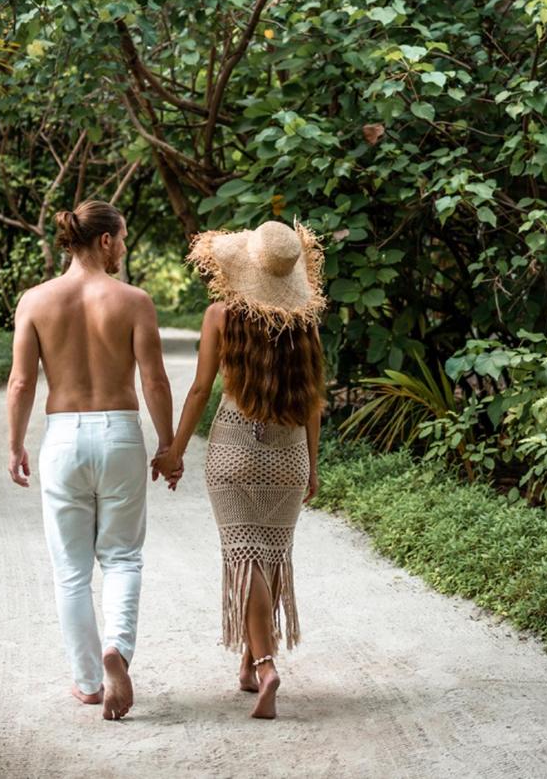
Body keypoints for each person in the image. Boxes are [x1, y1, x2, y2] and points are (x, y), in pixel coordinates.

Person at [6, 200, 182, 721]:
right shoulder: (134, 301)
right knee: (122, 557)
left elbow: (21, 382)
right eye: (121, 238)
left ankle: (87, 683)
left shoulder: (35, 301)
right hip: (120, 435)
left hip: (63, 438)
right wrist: (168, 445)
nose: (123, 248)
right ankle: (117, 650)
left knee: (71, 571)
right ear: (105, 241)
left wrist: (15, 444)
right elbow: (155, 380)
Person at [153, 220, 326, 720]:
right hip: (289, 454)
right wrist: (312, 466)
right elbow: (314, 404)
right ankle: (250, 665)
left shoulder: (221, 315)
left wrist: (175, 452)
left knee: (244, 555)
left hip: (234, 450)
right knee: (268, 555)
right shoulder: (305, 322)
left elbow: (200, 390)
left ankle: (267, 665)